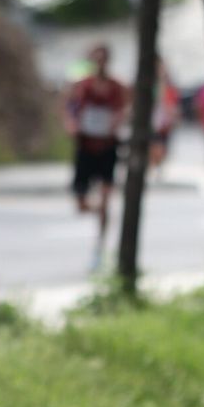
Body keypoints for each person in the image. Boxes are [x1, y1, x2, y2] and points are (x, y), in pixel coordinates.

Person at [64, 43, 130, 272]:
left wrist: (118, 121)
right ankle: (100, 213)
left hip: (107, 147)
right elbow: (67, 106)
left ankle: (99, 248)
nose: (100, 63)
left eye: (103, 58)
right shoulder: (82, 85)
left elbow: (126, 108)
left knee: (105, 198)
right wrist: (71, 124)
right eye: (96, 59)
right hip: (85, 146)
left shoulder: (117, 86)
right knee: (80, 203)